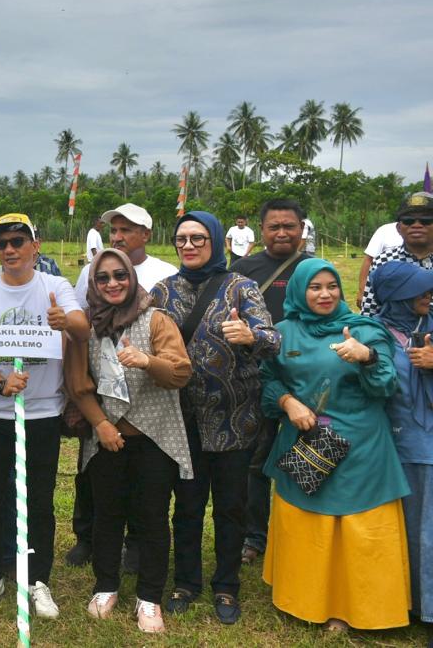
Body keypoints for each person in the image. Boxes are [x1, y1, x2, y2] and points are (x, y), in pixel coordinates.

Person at [260, 258, 409, 632]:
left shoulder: (363, 329)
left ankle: (356, 607)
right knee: (309, 522)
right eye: (315, 287)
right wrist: (287, 402)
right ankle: (304, 599)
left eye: (332, 286)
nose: (325, 294)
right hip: (307, 443)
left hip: (362, 447)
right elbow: (265, 379)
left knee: (360, 526)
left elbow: (386, 386)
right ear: (299, 291)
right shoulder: (283, 333)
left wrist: (367, 357)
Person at [151, 211, 278, 625]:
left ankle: (226, 585)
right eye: (182, 239)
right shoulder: (162, 291)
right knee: (186, 506)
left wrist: (252, 336)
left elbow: (273, 340)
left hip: (234, 417)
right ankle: (186, 582)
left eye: (198, 238)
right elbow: (134, 331)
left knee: (230, 507)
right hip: (181, 418)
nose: (188, 246)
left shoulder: (240, 287)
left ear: (218, 241)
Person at [0, 212, 87, 620]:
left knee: (39, 497)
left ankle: (37, 579)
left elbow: (83, 327)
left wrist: (64, 320)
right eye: (1, 245)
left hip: (42, 413)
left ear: (35, 246)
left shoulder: (55, 287)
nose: (9, 250)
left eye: (17, 242)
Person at [65, 248, 192, 633]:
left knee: (151, 518)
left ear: (132, 277)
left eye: (120, 275)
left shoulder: (156, 319)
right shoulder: (86, 326)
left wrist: (147, 361)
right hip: (106, 437)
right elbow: (77, 384)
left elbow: (180, 372)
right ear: (93, 284)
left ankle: (150, 597)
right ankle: (106, 586)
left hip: (154, 437)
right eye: (102, 278)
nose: (112, 284)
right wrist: (100, 425)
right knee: (107, 517)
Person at [67, 203, 176, 568]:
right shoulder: (90, 270)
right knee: (94, 473)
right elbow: (84, 323)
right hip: (101, 397)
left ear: (146, 234)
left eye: (127, 229)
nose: (118, 236)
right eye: (114, 229)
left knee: (145, 487)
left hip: (148, 397)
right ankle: (88, 537)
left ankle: (136, 546)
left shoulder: (165, 273)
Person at [231, 198, 311, 566]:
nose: (282, 233)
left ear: (302, 228)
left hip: (306, 377)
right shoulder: (245, 268)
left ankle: (302, 534)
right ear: (260, 230)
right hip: (257, 376)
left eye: (289, 226)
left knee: (308, 455)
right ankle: (254, 536)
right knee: (256, 462)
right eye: (274, 226)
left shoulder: (313, 268)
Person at [372, 262, 433, 626]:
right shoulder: (373, 332)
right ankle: (402, 606)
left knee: (427, 532)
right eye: (419, 290)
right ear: (396, 295)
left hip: (425, 446)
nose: (428, 296)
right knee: (398, 532)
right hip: (388, 444)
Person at [361, 192, 433, 316]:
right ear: (399, 228)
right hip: (392, 333)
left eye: (426, 220)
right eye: (408, 221)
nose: (417, 225)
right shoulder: (383, 260)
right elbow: (370, 311)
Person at [358, 221, 404, 308]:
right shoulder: (385, 230)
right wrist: (362, 291)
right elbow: (369, 260)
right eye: (409, 220)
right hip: (385, 295)